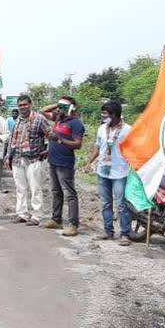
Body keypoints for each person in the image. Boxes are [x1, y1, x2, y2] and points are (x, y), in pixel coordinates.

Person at [83, 101, 132, 246]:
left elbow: (133, 149)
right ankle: (108, 231)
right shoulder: (101, 129)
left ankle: (125, 233)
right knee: (105, 203)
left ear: (115, 114)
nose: (103, 116)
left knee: (121, 204)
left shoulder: (128, 130)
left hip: (120, 171)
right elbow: (98, 147)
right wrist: (89, 162)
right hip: (103, 170)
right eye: (102, 113)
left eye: (105, 113)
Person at [40, 96, 84, 237]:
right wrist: (59, 105)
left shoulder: (75, 124)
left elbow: (78, 144)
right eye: (58, 107)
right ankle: (56, 219)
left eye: (61, 108)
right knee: (56, 192)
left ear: (70, 109)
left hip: (65, 163)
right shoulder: (58, 119)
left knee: (69, 194)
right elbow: (42, 110)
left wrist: (59, 140)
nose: (58, 110)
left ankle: (73, 224)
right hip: (53, 160)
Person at [6, 95, 50, 225]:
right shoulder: (17, 121)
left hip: (34, 159)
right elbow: (11, 140)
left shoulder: (39, 119)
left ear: (30, 104)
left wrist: (48, 150)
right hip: (17, 159)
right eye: (20, 105)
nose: (22, 107)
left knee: (35, 188)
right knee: (20, 188)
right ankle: (22, 213)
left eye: (25, 104)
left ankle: (37, 215)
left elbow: (50, 135)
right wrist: (8, 156)